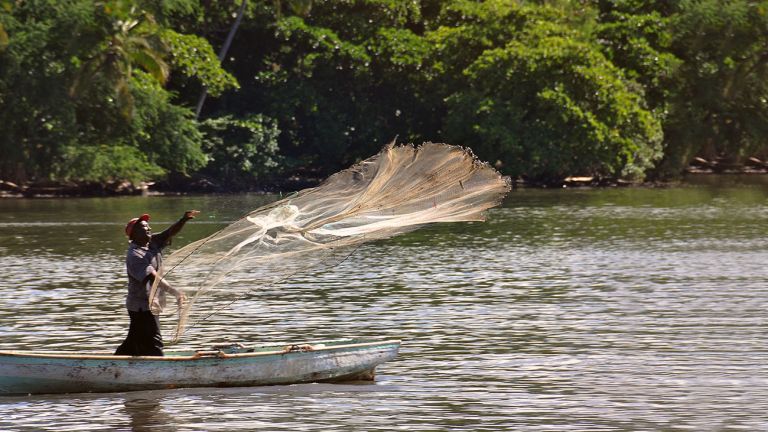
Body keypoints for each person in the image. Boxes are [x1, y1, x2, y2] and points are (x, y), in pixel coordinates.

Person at [115, 210, 200, 356]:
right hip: (141, 306)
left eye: (148, 226)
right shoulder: (135, 255)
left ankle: (112, 365)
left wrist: (183, 219)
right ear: (134, 235)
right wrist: (175, 292)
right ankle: (160, 369)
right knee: (155, 341)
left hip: (150, 303)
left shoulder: (152, 243)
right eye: (143, 227)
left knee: (134, 340)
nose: (148, 229)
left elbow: (169, 233)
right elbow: (152, 277)